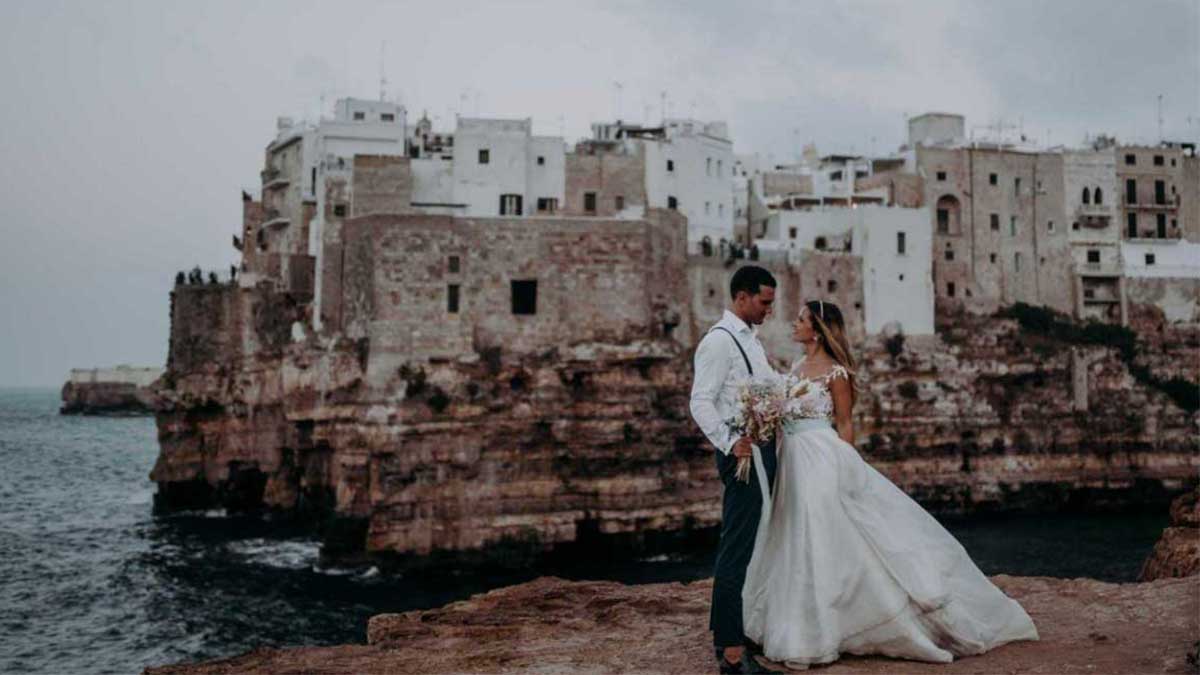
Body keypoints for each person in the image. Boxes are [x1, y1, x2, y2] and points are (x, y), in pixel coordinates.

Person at [741, 301, 1039, 670]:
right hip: (793, 461)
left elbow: (845, 425)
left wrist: (846, 469)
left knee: (819, 533)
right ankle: (805, 624)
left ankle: (834, 626)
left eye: (801, 319)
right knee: (795, 535)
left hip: (822, 458)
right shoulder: (796, 367)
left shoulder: (837, 373)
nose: (794, 324)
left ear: (816, 329)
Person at [690, 265, 783, 674]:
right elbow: (700, 402)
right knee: (738, 549)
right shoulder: (719, 343)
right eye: (764, 302)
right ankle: (731, 654)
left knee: (752, 543)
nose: (769, 310)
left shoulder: (750, 341)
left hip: (759, 451)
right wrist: (731, 444)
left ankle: (727, 632)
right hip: (742, 456)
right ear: (742, 297)